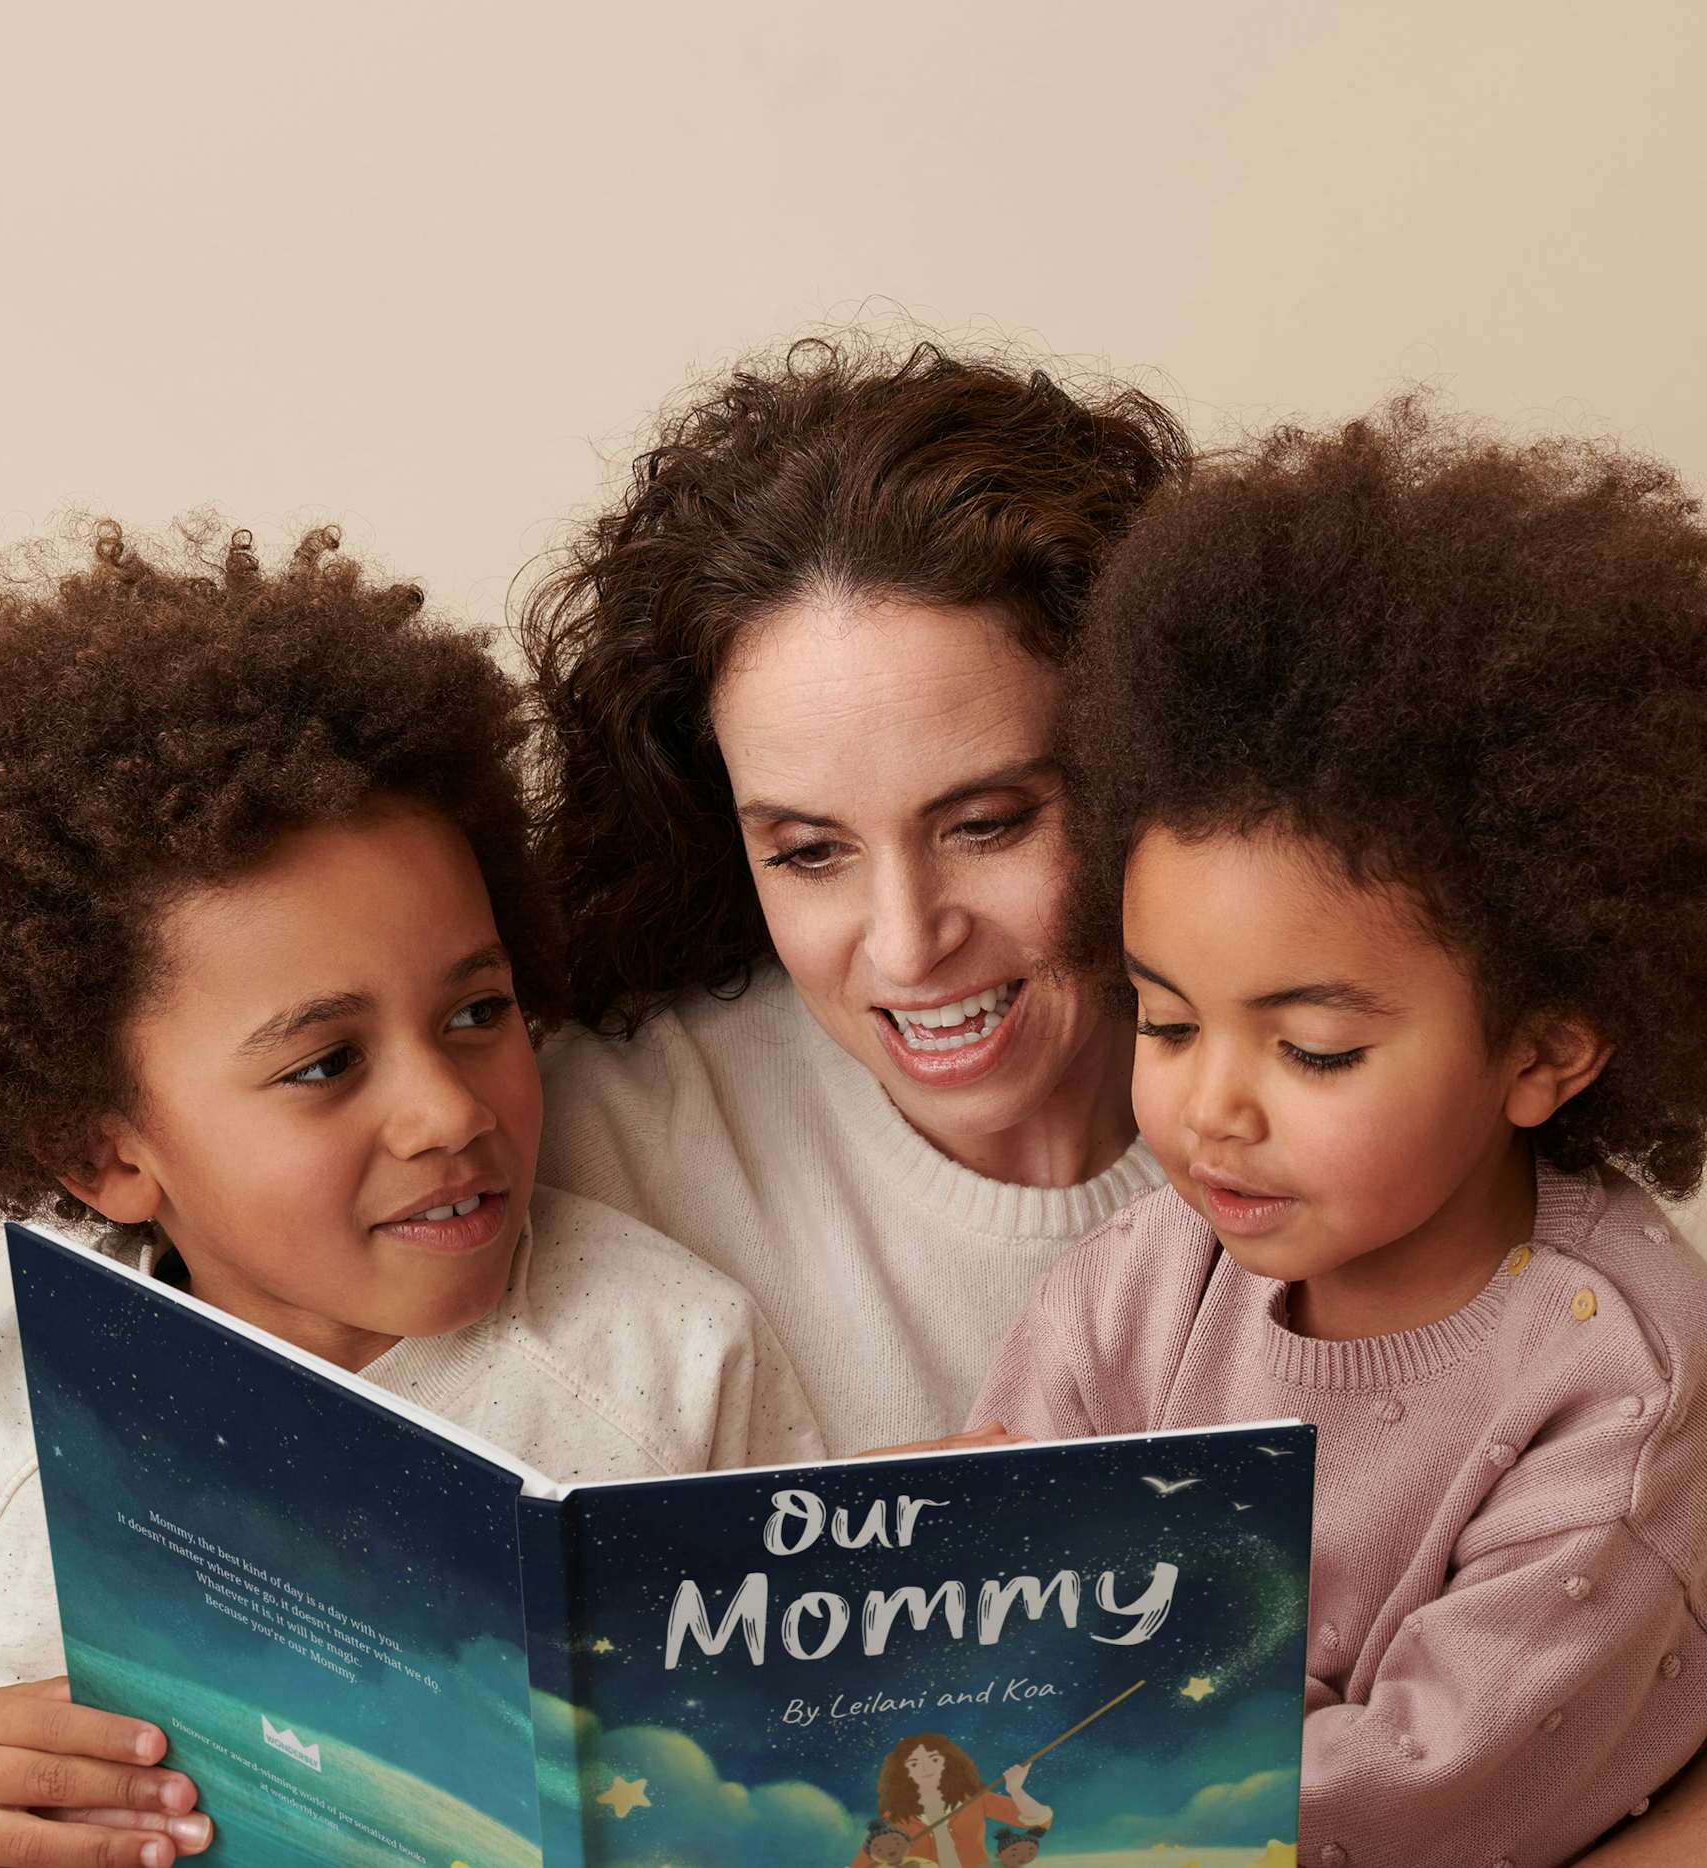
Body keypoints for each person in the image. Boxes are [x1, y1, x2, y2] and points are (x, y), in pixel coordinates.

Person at [0, 522, 821, 1866]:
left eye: (478, 1011)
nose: (450, 1110)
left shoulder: (674, 1352)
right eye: (326, 1063)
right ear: (104, 1152)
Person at [970, 404, 1707, 1866]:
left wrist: (1084, 1764)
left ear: (1547, 1047)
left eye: (1313, 1050)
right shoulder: (1143, 1278)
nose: (1208, 1108)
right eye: (1167, 1023)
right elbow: (1001, 1608)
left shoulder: (1614, 1391)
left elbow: (1424, 1802)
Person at [523, 335, 1190, 1456]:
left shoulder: (1346, 1103)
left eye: (986, 826)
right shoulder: (592, 1144)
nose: (909, 943)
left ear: (1147, 760)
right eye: (810, 852)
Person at [857, 1733, 1052, 1868]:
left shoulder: (975, 1800)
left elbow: (1039, 1820)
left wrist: (1015, 1790)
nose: (926, 1769)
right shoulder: (896, 1815)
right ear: (903, 1772)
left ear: (948, 1762)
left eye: (934, 1759)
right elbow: (868, 1859)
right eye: (914, 1763)